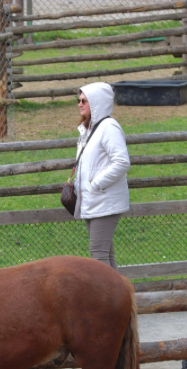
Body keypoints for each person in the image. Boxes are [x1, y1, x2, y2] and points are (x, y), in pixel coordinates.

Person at [72, 82, 130, 271]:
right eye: (79, 100)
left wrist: (95, 185)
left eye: (84, 101)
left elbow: (121, 162)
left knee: (98, 253)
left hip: (104, 200)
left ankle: (107, 298)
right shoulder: (89, 129)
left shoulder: (108, 128)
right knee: (105, 253)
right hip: (94, 200)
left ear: (97, 103)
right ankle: (120, 297)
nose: (80, 104)